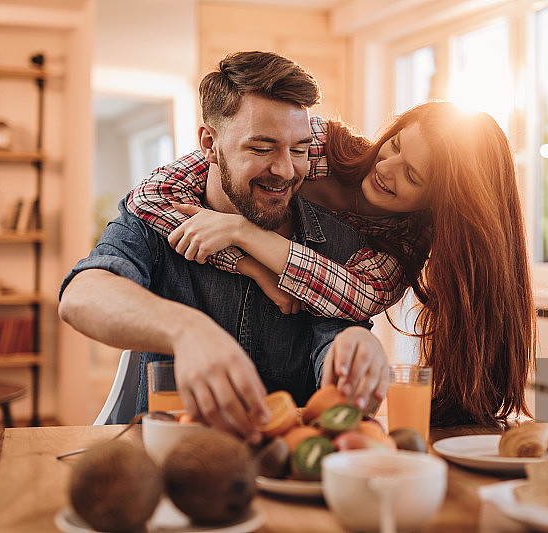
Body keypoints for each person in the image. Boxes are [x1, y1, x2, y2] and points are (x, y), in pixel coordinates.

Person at [127, 99, 537, 428]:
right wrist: (251, 267)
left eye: (412, 175)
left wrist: (244, 233)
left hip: (292, 362)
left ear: (438, 202)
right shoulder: (320, 144)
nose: (384, 168)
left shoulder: (404, 245)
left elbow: (353, 299)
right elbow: (150, 196)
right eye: (394, 145)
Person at [57, 51, 389, 444]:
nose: (285, 170)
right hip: (168, 456)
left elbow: (333, 334)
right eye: (262, 149)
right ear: (210, 144)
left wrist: (355, 347)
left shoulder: (335, 241)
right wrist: (187, 330)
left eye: (299, 150)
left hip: (281, 464)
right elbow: (81, 295)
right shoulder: (156, 215)